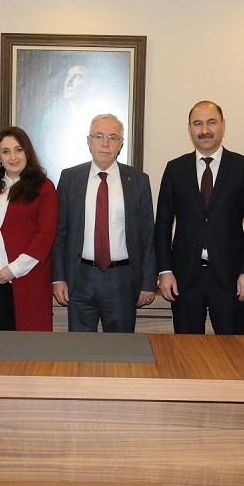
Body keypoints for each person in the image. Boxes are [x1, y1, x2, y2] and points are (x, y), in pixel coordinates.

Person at [155, 101, 244, 335]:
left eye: (211, 122)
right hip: (184, 279)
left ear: (223, 125)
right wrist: (164, 270)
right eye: (198, 124)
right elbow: (162, 224)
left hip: (232, 279)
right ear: (189, 128)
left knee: (231, 349)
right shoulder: (174, 169)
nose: (204, 130)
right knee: (187, 349)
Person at [52, 114, 157, 332]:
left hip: (122, 279)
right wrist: (58, 278)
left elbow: (147, 236)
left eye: (112, 137)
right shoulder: (70, 178)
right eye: (99, 136)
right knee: (80, 347)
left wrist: (148, 283)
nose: (105, 143)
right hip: (79, 277)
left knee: (120, 348)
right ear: (88, 141)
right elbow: (60, 233)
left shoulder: (138, 180)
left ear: (121, 144)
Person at [0, 126, 58, 331]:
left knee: (27, 345)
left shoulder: (44, 188)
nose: (13, 157)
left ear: (27, 152)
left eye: (18, 150)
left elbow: (45, 235)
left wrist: (13, 270)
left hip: (28, 282)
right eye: (6, 151)